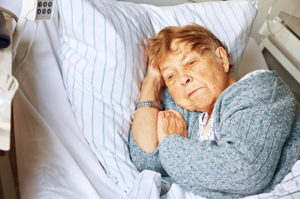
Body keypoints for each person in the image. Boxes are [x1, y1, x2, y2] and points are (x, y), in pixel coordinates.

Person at [128, 24, 300, 199]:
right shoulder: (189, 115)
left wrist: (171, 142)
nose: (183, 78)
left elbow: (245, 172)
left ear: (222, 59)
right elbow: (146, 159)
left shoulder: (262, 90)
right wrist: (152, 82)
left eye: (191, 63)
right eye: (171, 76)